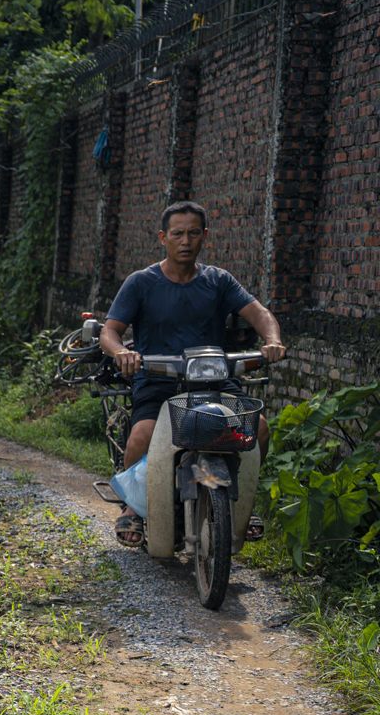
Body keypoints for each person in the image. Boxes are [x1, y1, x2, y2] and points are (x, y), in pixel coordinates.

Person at [99, 200, 285, 546]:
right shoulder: (141, 283)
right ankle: (132, 506)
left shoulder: (218, 281)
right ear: (163, 237)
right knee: (142, 436)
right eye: (177, 234)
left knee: (257, 428)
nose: (185, 241)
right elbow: (110, 331)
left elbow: (259, 313)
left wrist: (272, 340)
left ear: (205, 237)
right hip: (157, 378)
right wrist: (122, 351)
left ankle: (243, 500)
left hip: (214, 377)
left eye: (193, 233)